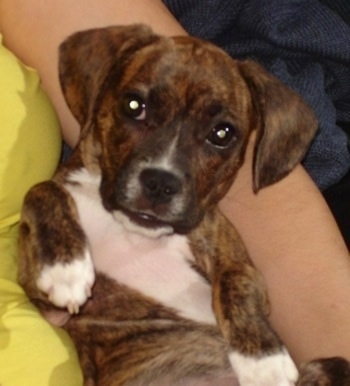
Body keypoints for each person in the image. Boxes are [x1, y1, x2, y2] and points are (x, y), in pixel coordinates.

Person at [0, 1, 349, 385]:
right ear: (96, 87)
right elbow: (46, 298)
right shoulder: (58, 202)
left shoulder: (206, 223)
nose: (166, 169)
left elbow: (240, 275)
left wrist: (253, 336)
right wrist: (46, 210)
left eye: (219, 136)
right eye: (136, 109)